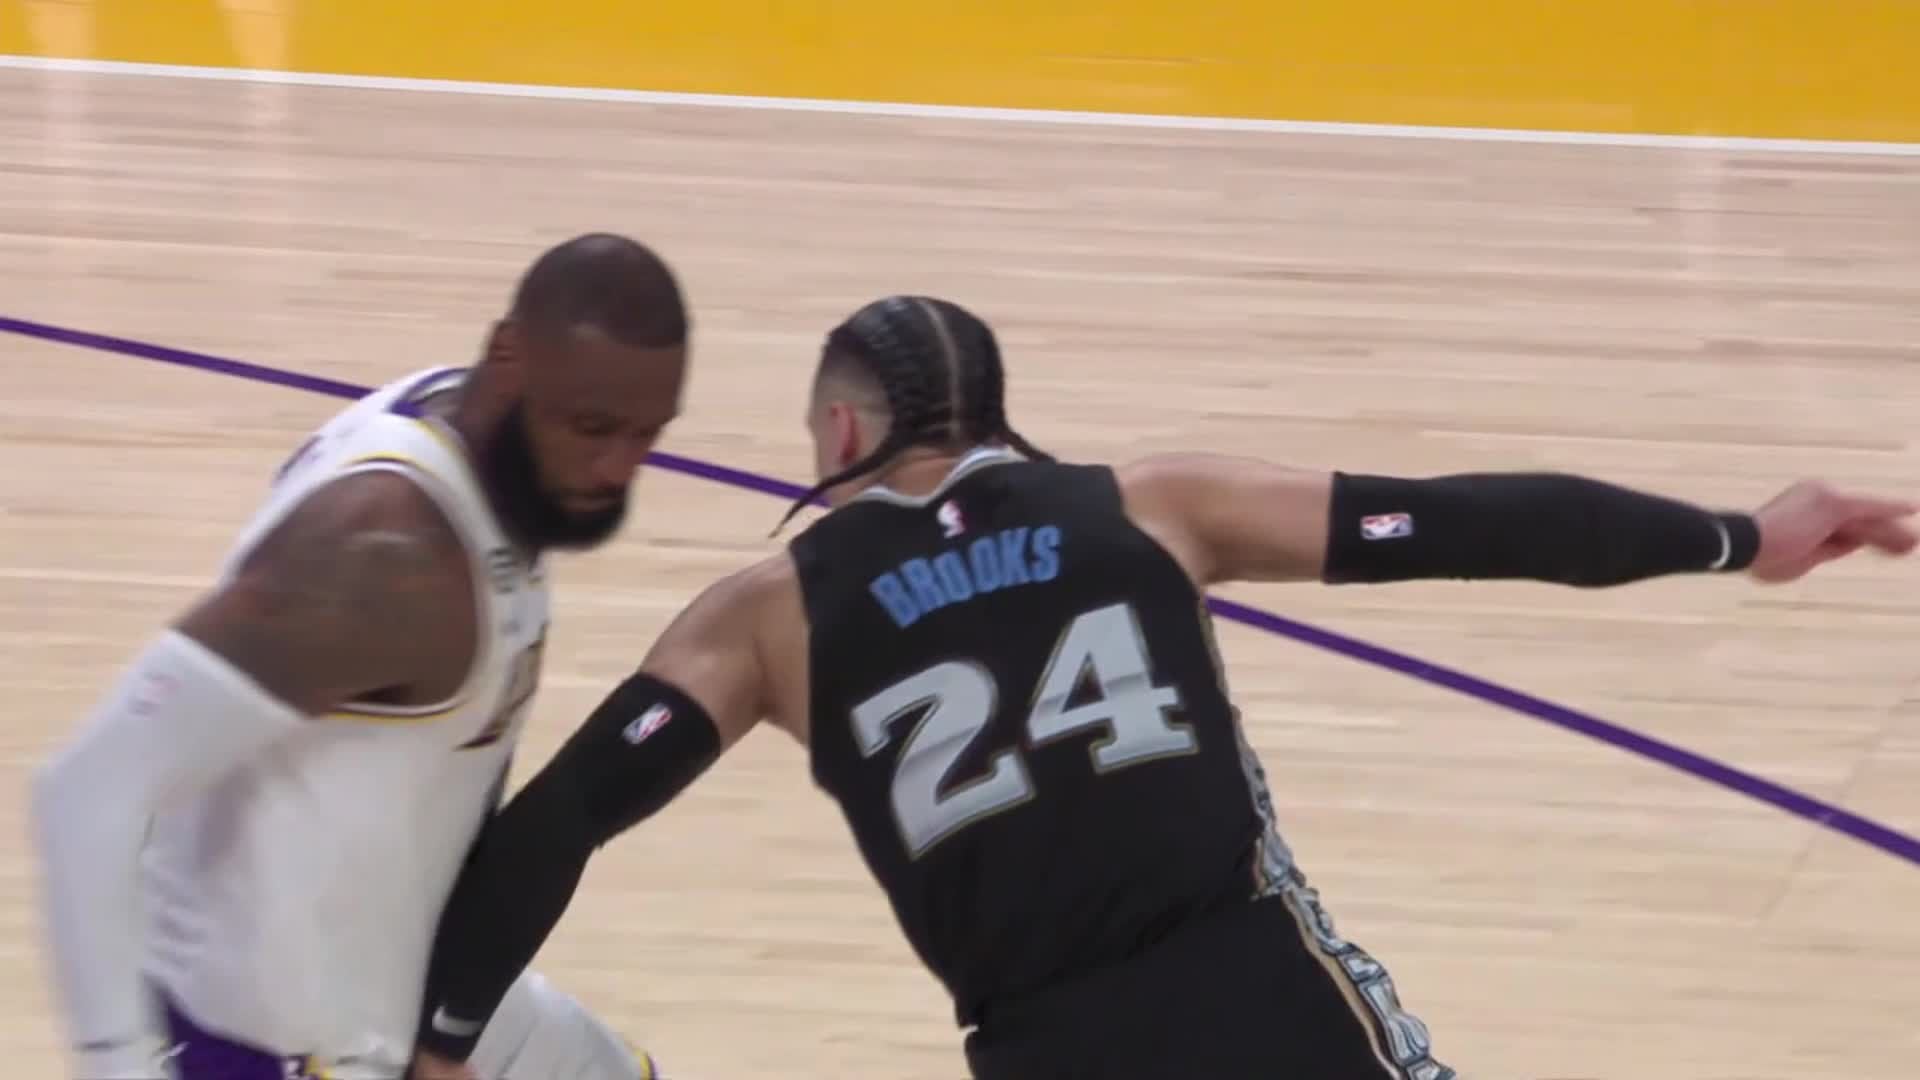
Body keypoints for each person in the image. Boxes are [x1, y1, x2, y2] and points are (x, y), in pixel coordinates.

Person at [403, 294, 1917, 1080]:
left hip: (1042, 1047)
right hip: (1254, 987)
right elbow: (1471, 522)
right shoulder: (1155, 505)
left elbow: (563, 821)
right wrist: (1742, 538)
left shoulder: (764, 614)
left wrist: (446, 1039)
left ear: (843, 431)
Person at [31, 233, 694, 1080]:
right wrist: (117, 1065)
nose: (619, 467)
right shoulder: (386, 557)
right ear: (508, 358)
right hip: (283, 1046)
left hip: (401, 976)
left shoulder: (468, 423)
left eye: (647, 434)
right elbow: (89, 790)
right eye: (593, 427)